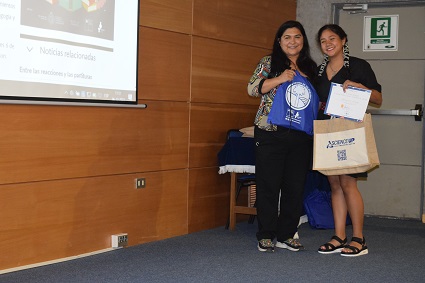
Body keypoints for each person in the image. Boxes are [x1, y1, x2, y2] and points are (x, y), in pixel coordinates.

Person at [247, 20, 317, 252]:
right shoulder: (268, 62)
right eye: (287, 37)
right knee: (268, 185)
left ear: (303, 40)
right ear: (279, 41)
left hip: (300, 135)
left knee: (294, 187)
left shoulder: (312, 67)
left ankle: (287, 234)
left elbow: (318, 100)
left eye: (297, 37)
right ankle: (265, 234)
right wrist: (280, 78)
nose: (292, 41)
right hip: (270, 133)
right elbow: (252, 88)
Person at [315, 24, 382, 257]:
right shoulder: (319, 70)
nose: (327, 43)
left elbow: (378, 98)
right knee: (334, 183)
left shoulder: (358, 66)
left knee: (348, 183)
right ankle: (339, 236)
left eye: (332, 38)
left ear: (343, 40)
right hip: (327, 130)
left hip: (350, 130)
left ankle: (358, 239)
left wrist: (360, 86)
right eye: (323, 41)